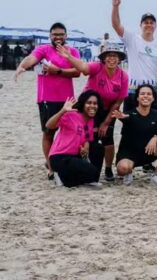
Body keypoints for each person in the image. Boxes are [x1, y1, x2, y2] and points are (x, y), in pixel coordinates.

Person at [14, 22, 81, 180]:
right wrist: (21, 67)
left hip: (67, 100)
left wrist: (57, 71)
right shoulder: (44, 49)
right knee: (48, 133)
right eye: (55, 34)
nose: (58, 37)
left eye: (61, 34)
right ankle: (51, 167)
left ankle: (62, 160)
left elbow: (77, 72)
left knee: (69, 132)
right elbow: (31, 58)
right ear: (50, 36)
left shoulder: (72, 51)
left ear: (66, 36)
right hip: (47, 99)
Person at [55, 44, 129, 182]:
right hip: (89, 106)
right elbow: (83, 67)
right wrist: (69, 57)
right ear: (103, 58)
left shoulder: (123, 76)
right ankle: (72, 161)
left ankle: (107, 169)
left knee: (107, 137)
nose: (112, 59)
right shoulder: (97, 67)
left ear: (119, 59)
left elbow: (119, 101)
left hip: (108, 109)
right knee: (82, 135)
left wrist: (106, 122)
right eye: (109, 56)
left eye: (115, 56)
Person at [111, 0, 157, 111]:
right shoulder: (132, 39)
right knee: (130, 125)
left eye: (152, 22)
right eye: (146, 22)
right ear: (140, 25)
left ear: (155, 26)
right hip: (132, 89)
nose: (149, 25)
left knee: (151, 125)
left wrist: (154, 77)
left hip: (152, 90)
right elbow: (116, 25)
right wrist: (115, 7)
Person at [112, 84, 157, 185]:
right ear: (137, 98)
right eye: (142, 94)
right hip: (129, 155)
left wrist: (155, 138)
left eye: (149, 94)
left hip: (148, 151)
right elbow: (126, 117)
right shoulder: (130, 114)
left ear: (153, 98)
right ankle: (129, 172)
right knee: (123, 169)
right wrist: (122, 117)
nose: (145, 96)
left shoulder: (156, 114)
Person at [47, 92, 101, 188]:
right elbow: (49, 125)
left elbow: (87, 138)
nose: (92, 106)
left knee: (98, 148)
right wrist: (63, 111)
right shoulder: (71, 115)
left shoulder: (91, 120)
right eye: (89, 103)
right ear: (83, 104)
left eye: (95, 103)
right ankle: (59, 175)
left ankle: (91, 178)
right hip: (60, 156)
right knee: (91, 172)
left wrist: (86, 146)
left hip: (75, 156)